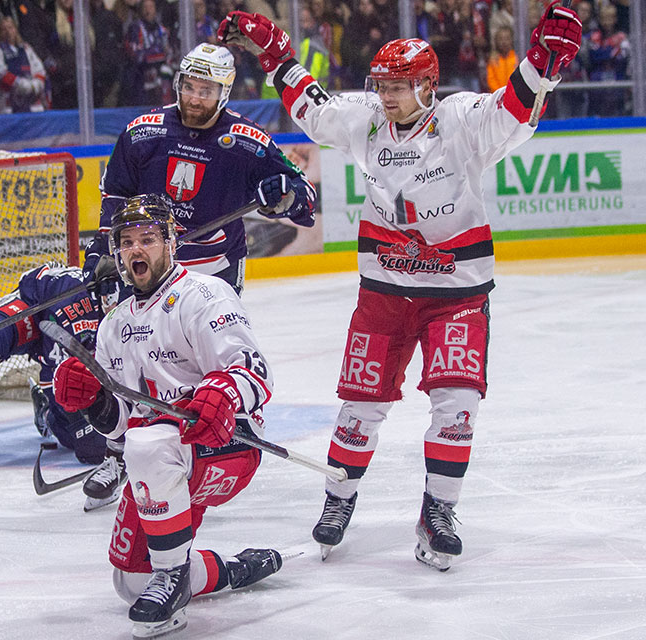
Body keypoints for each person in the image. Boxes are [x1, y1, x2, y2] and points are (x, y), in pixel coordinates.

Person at [219, 2, 581, 571]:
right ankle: (339, 500)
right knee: (360, 405)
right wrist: (273, 52)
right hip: (384, 290)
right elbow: (312, 108)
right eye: (382, 84)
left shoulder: (462, 120)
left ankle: (438, 509)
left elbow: (511, 110)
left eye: (400, 86)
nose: (387, 95)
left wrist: (539, 65)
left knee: (457, 402)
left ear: (428, 87)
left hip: (458, 293)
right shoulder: (366, 117)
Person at [53, 194, 284, 639]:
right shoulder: (114, 323)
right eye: (127, 242)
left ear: (170, 243)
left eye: (148, 239)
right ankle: (231, 570)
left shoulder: (204, 294)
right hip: (160, 457)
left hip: (227, 444)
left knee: (148, 442)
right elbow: (119, 422)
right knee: (130, 580)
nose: (136, 249)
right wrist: (94, 401)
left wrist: (223, 391)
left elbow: (255, 370)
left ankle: (173, 576)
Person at [84, 42, 316, 297]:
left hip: (216, 269)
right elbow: (116, 194)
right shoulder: (142, 133)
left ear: (224, 92)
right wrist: (105, 248)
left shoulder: (248, 142)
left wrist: (285, 196)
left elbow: (305, 196)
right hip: (151, 266)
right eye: (188, 87)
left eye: (205, 91)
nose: (194, 99)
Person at [0, 262, 129, 511]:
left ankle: (46, 411)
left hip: (97, 390)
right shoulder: (62, 286)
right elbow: (24, 295)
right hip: (55, 357)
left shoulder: (146, 306)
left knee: (90, 446)